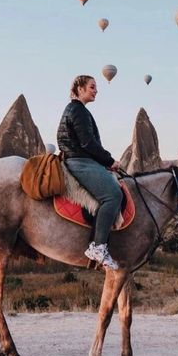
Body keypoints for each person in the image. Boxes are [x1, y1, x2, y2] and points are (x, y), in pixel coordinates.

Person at [57, 75, 122, 270]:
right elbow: (87, 143)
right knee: (113, 195)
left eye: (96, 87)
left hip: (80, 159)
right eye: (92, 87)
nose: (96, 90)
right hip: (79, 161)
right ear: (80, 89)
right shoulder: (78, 110)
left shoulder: (76, 110)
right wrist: (109, 160)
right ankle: (98, 246)